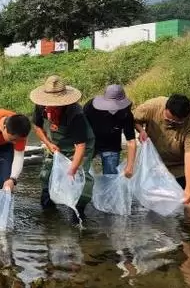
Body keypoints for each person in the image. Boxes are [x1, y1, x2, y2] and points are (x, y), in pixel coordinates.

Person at [30, 75, 95, 213]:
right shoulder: (41, 105)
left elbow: (80, 146)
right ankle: (48, 213)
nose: (50, 110)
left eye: (55, 107)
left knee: (79, 177)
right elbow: (37, 127)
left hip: (80, 145)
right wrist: (48, 143)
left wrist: (72, 170)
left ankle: (78, 214)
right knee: (47, 175)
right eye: (48, 106)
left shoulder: (75, 113)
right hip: (56, 144)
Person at [133, 94, 190, 208]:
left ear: (185, 118)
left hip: (182, 165)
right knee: (155, 197)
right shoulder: (152, 107)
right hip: (157, 162)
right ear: (165, 109)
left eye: (177, 123)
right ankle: (156, 225)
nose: (171, 123)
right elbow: (135, 120)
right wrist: (141, 130)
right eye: (168, 119)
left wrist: (189, 189)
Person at [84, 84, 136, 176]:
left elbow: (131, 141)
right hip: (90, 144)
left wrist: (129, 166)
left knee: (111, 177)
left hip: (111, 147)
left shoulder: (125, 113)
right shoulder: (91, 106)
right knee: (83, 173)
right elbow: (81, 126)